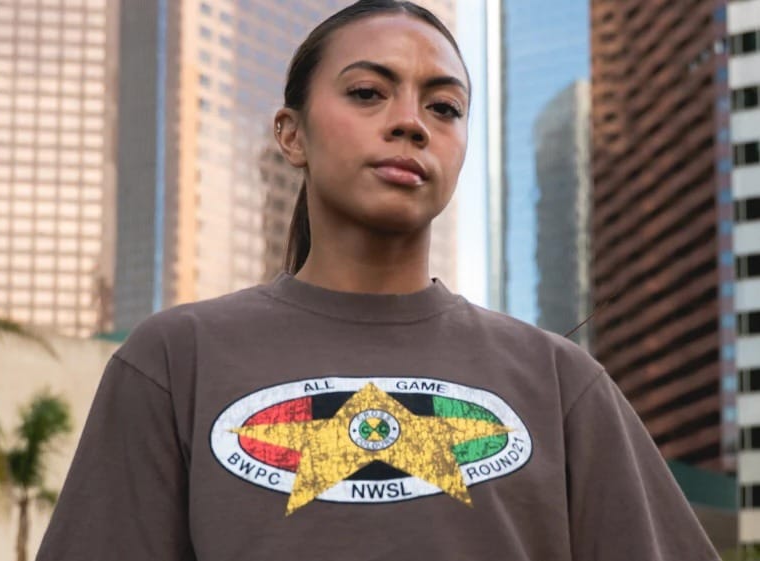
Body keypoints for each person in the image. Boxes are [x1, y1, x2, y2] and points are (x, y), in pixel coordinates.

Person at [36, 1, 720, 559]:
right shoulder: (174, 361)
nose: (410, 124)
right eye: (368, 93)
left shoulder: (559, 380)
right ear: (291, 134)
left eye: (444, 108)